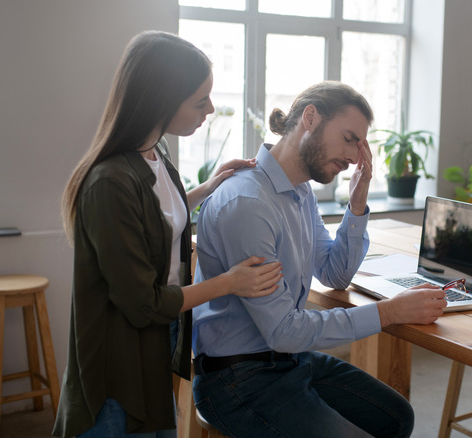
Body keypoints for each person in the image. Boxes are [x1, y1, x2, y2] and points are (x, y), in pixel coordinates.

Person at [52, 31, 282, 438]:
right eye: (199, 101)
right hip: (117, 359)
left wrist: (205, 188)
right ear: (160, 99)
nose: (210, 109)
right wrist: (229, 283)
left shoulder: (157, 152)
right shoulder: (108, 183)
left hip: (158, 339)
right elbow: (142, 304)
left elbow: (154, 222)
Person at [191, 81, 449, 438]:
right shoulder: (248, 203)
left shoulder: (299, 191)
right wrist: (390, 312)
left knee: (396, 417)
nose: (356, 157)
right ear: (310, 118)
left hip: (290, 360)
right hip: (238, 380)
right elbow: (284, 330)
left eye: (360, 145)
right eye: (349, 139)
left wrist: (356, 204)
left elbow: (334, 273)